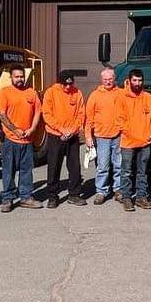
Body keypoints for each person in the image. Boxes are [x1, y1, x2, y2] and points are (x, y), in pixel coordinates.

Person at [0, 65, 43, 212]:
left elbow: (37, 113)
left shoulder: (31, 92)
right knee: (9, 170)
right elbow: (1, 114)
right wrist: (15, 130)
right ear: (11, 77)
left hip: (27, 139)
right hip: (10, 139)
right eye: (17, 77)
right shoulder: (5, 92)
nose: (20, 79)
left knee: (27, 170)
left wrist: (32, 129)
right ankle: (7, 199)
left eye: (21, 76)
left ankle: (26, 197)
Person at [41, 70, 87, 207]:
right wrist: (61, 129)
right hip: (56, 135)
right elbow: (47, 114)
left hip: (72, 136)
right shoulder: (51, 93)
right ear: (59, 82)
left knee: (75, 167)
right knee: (54, 166)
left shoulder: (77, 93)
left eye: (70, 84)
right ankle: (52, 196)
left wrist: (72, 130)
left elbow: (81, 114)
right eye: (65, 84)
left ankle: (74, 194)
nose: (68, 87)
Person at [117, 68, 151, 211]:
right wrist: (129, 133)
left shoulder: (148, 98)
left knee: (143, 171)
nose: (137, 83)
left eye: (140, 80)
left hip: (145, 141)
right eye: (135, 80)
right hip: (128, 142)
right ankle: (126, 198)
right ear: (129, 81)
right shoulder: (122, 97)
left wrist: (150, 134)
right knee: (126, 171)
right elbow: (119, 120)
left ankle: (141, 197)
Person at [85, 67, 124, 205]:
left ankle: (118, 189)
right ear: (101, 80)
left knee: (119, 165)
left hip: (119, 135)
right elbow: (89, 118)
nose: (108, 81)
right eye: (105, 79)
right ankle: (101, 191)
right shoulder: (95, 95)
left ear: (114, 78)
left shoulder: (121, 94)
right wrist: (88, 136)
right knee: (103, 166)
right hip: (101, 136)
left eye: (110, 79)